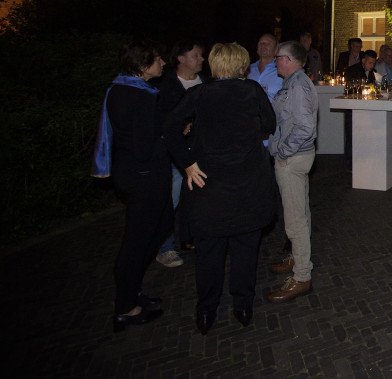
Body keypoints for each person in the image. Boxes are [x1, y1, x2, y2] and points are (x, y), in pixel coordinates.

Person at [163, 42, 277, 334]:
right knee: (244, 249)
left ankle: (206, 309)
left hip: (209, 188)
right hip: (247, 185)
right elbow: (271, 123)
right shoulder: (253, 91)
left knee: (209, 253)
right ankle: (243, 304)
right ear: (241, 65)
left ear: (214, 66)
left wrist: (187, 162)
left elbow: (170, 127)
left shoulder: (198, 94)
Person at [98, 41, 169, 332]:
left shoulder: (126, 89)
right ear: (142, 67)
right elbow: (144, 145)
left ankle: (132, 291)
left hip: (136, 174)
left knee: (161, 226)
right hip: (144, 177)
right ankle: (126, 307)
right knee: (137, 240)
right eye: (157, 58)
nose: (163, 62)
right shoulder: (136, 97)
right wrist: (169, 136)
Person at [266, 40, 318, 303]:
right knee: (302, 212)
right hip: (297, 157)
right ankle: (299, 258)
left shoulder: (298, 85)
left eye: (278, 57)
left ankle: (301, 277)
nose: (275, 61)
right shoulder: (295, 82)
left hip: (293, 160)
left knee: (295, 219)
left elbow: (305, 128)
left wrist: (284, 152)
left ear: (289, 60)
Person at [155, 39, 205, 268]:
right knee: (171, 197)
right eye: (195, 55)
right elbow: (162, 120)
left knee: (194, 196)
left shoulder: (206, 83)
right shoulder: (166, 86)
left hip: (199, 152)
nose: (201, 59)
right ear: (181, 58)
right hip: (174, 155)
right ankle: (164, 247)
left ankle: (189, 237)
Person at [249, 33, 282, 101]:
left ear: (276, 50)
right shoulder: (248, 69)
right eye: (261, 43)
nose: (263, 45)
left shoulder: (281, 71)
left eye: (268, 43)